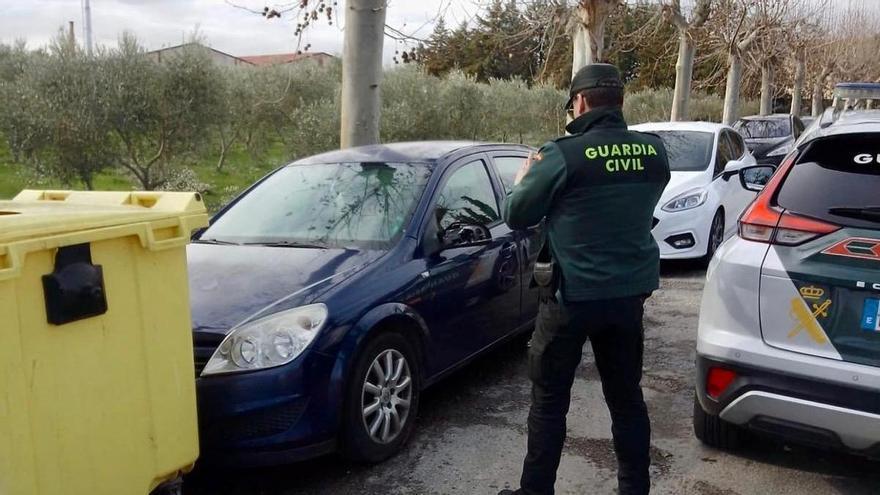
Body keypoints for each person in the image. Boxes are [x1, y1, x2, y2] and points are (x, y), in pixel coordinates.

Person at [498, 63, 670, 495]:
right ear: (620, 101)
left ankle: (535, 491)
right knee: (627, 399)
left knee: (550, 403)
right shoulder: (654, 152)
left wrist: (521, 181)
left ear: (579, 102)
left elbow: (517, 214)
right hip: (628, 296)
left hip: (570, 298)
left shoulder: (561, 153)